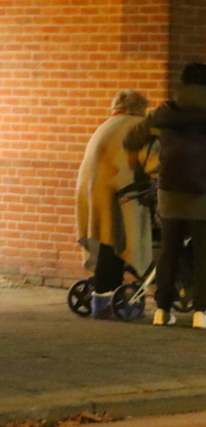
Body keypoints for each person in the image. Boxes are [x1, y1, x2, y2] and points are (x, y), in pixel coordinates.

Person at [125, 62, 206, 329]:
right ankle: (202, 312)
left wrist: (147, 170)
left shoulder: (166, 113)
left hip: (170, 191)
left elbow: (131, 139)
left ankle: (163, 311)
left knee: (169, 252)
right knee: (204, 255)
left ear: (182, 83)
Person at [75, 90, 158, 317]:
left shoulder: (106, 126)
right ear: (141, 109)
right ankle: (103, 302)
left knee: (106, 240)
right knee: (118, 243)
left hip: (90, 191)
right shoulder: (140, 128)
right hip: (120, 193)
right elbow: (153, 164)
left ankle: (100, 297)